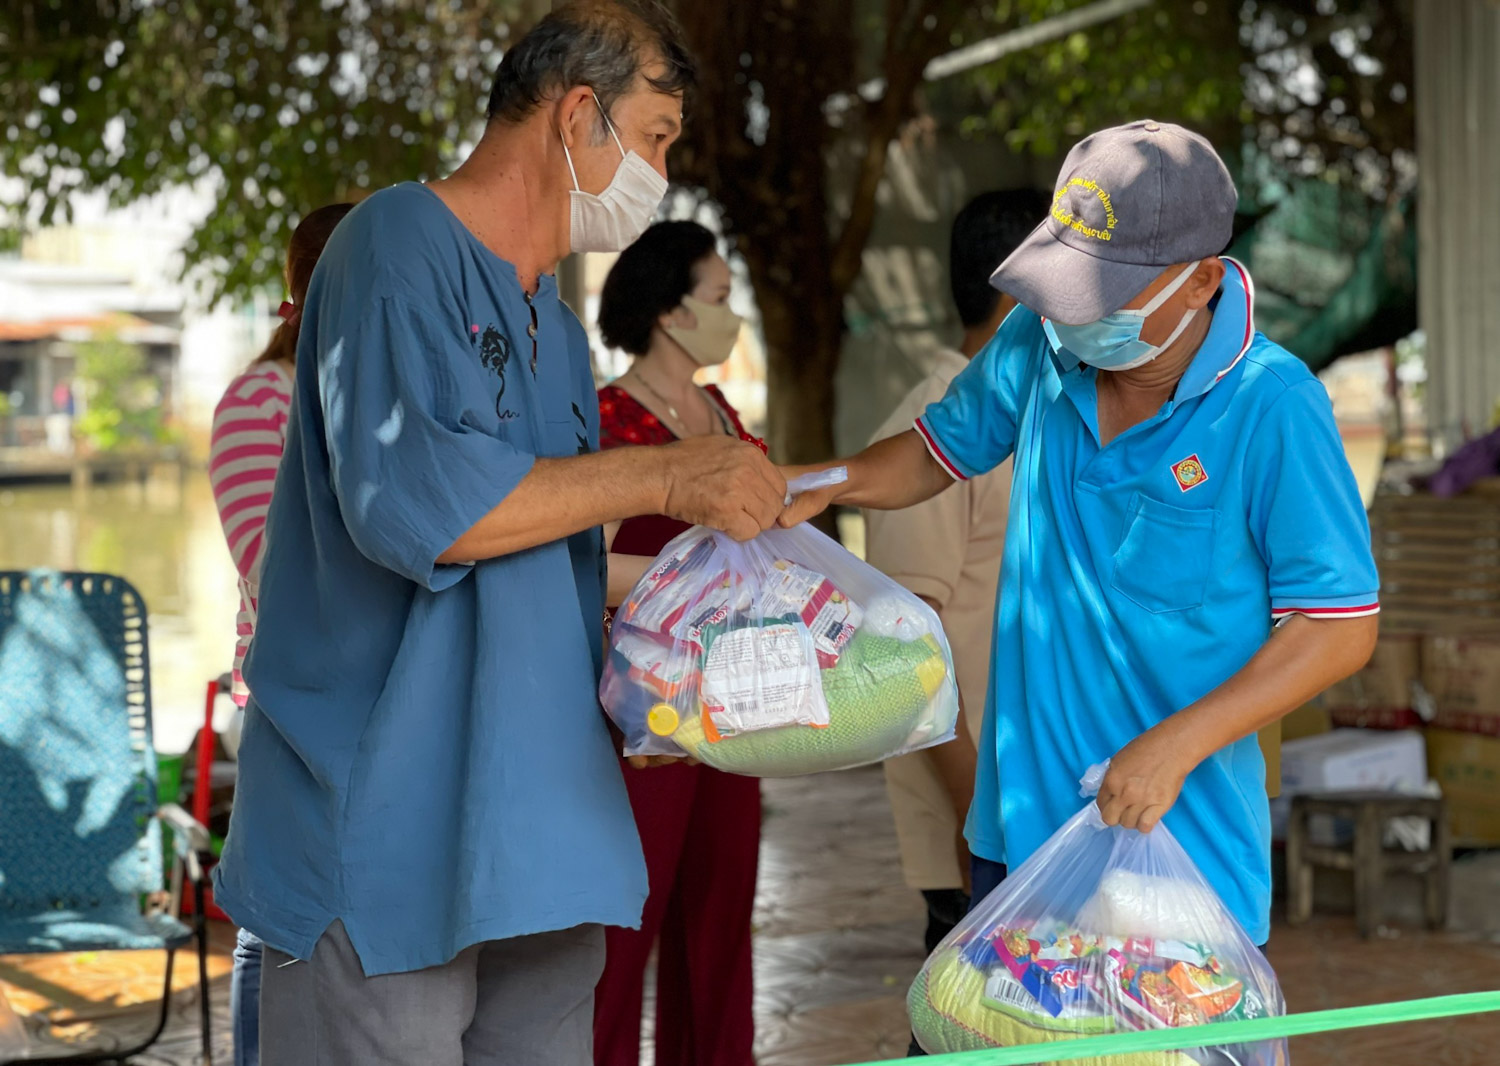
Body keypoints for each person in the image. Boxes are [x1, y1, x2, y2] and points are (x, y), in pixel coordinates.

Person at [210, 4, 786, 1065]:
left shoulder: (555, 331)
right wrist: (667, 472)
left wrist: (652, 681)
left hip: (535, 831)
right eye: (655, 136)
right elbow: (433, 513)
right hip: (382, 831)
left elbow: (544, 563)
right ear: (579, 115)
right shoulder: (392, 249)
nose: (663, 170)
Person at [783, 120, 1380, 951]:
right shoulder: (1038, 343)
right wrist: (816, 486)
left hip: (1179, 853)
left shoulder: (1271, 404)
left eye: (1108, 294)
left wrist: (1178, 744)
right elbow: (934, 452)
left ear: (1203, 279)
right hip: (1022, 836)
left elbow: (1339, 625)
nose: (1075, 317)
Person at [862, 190, 1045, 982]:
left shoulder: (1042, 414)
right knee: (969, 1018)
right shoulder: (933, 423)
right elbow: (906, 659)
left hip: (1036, 805)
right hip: (980, 820)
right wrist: (982, 819)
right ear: (1019, 288)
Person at [592, 220, 760, 1066]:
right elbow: (582, 569)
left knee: (721, 925)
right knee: (626, 931)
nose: (735, 318)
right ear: (670, 311)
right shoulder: (607, 420)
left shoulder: (720, 409)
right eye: (721, 300)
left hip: (737, 706)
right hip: (643, 716)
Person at [208, 202, 354, 1066]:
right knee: (281, 923)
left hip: (379, 710)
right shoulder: (258, 402)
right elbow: (276, 571)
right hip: (289, 712)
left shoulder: (390, 401)